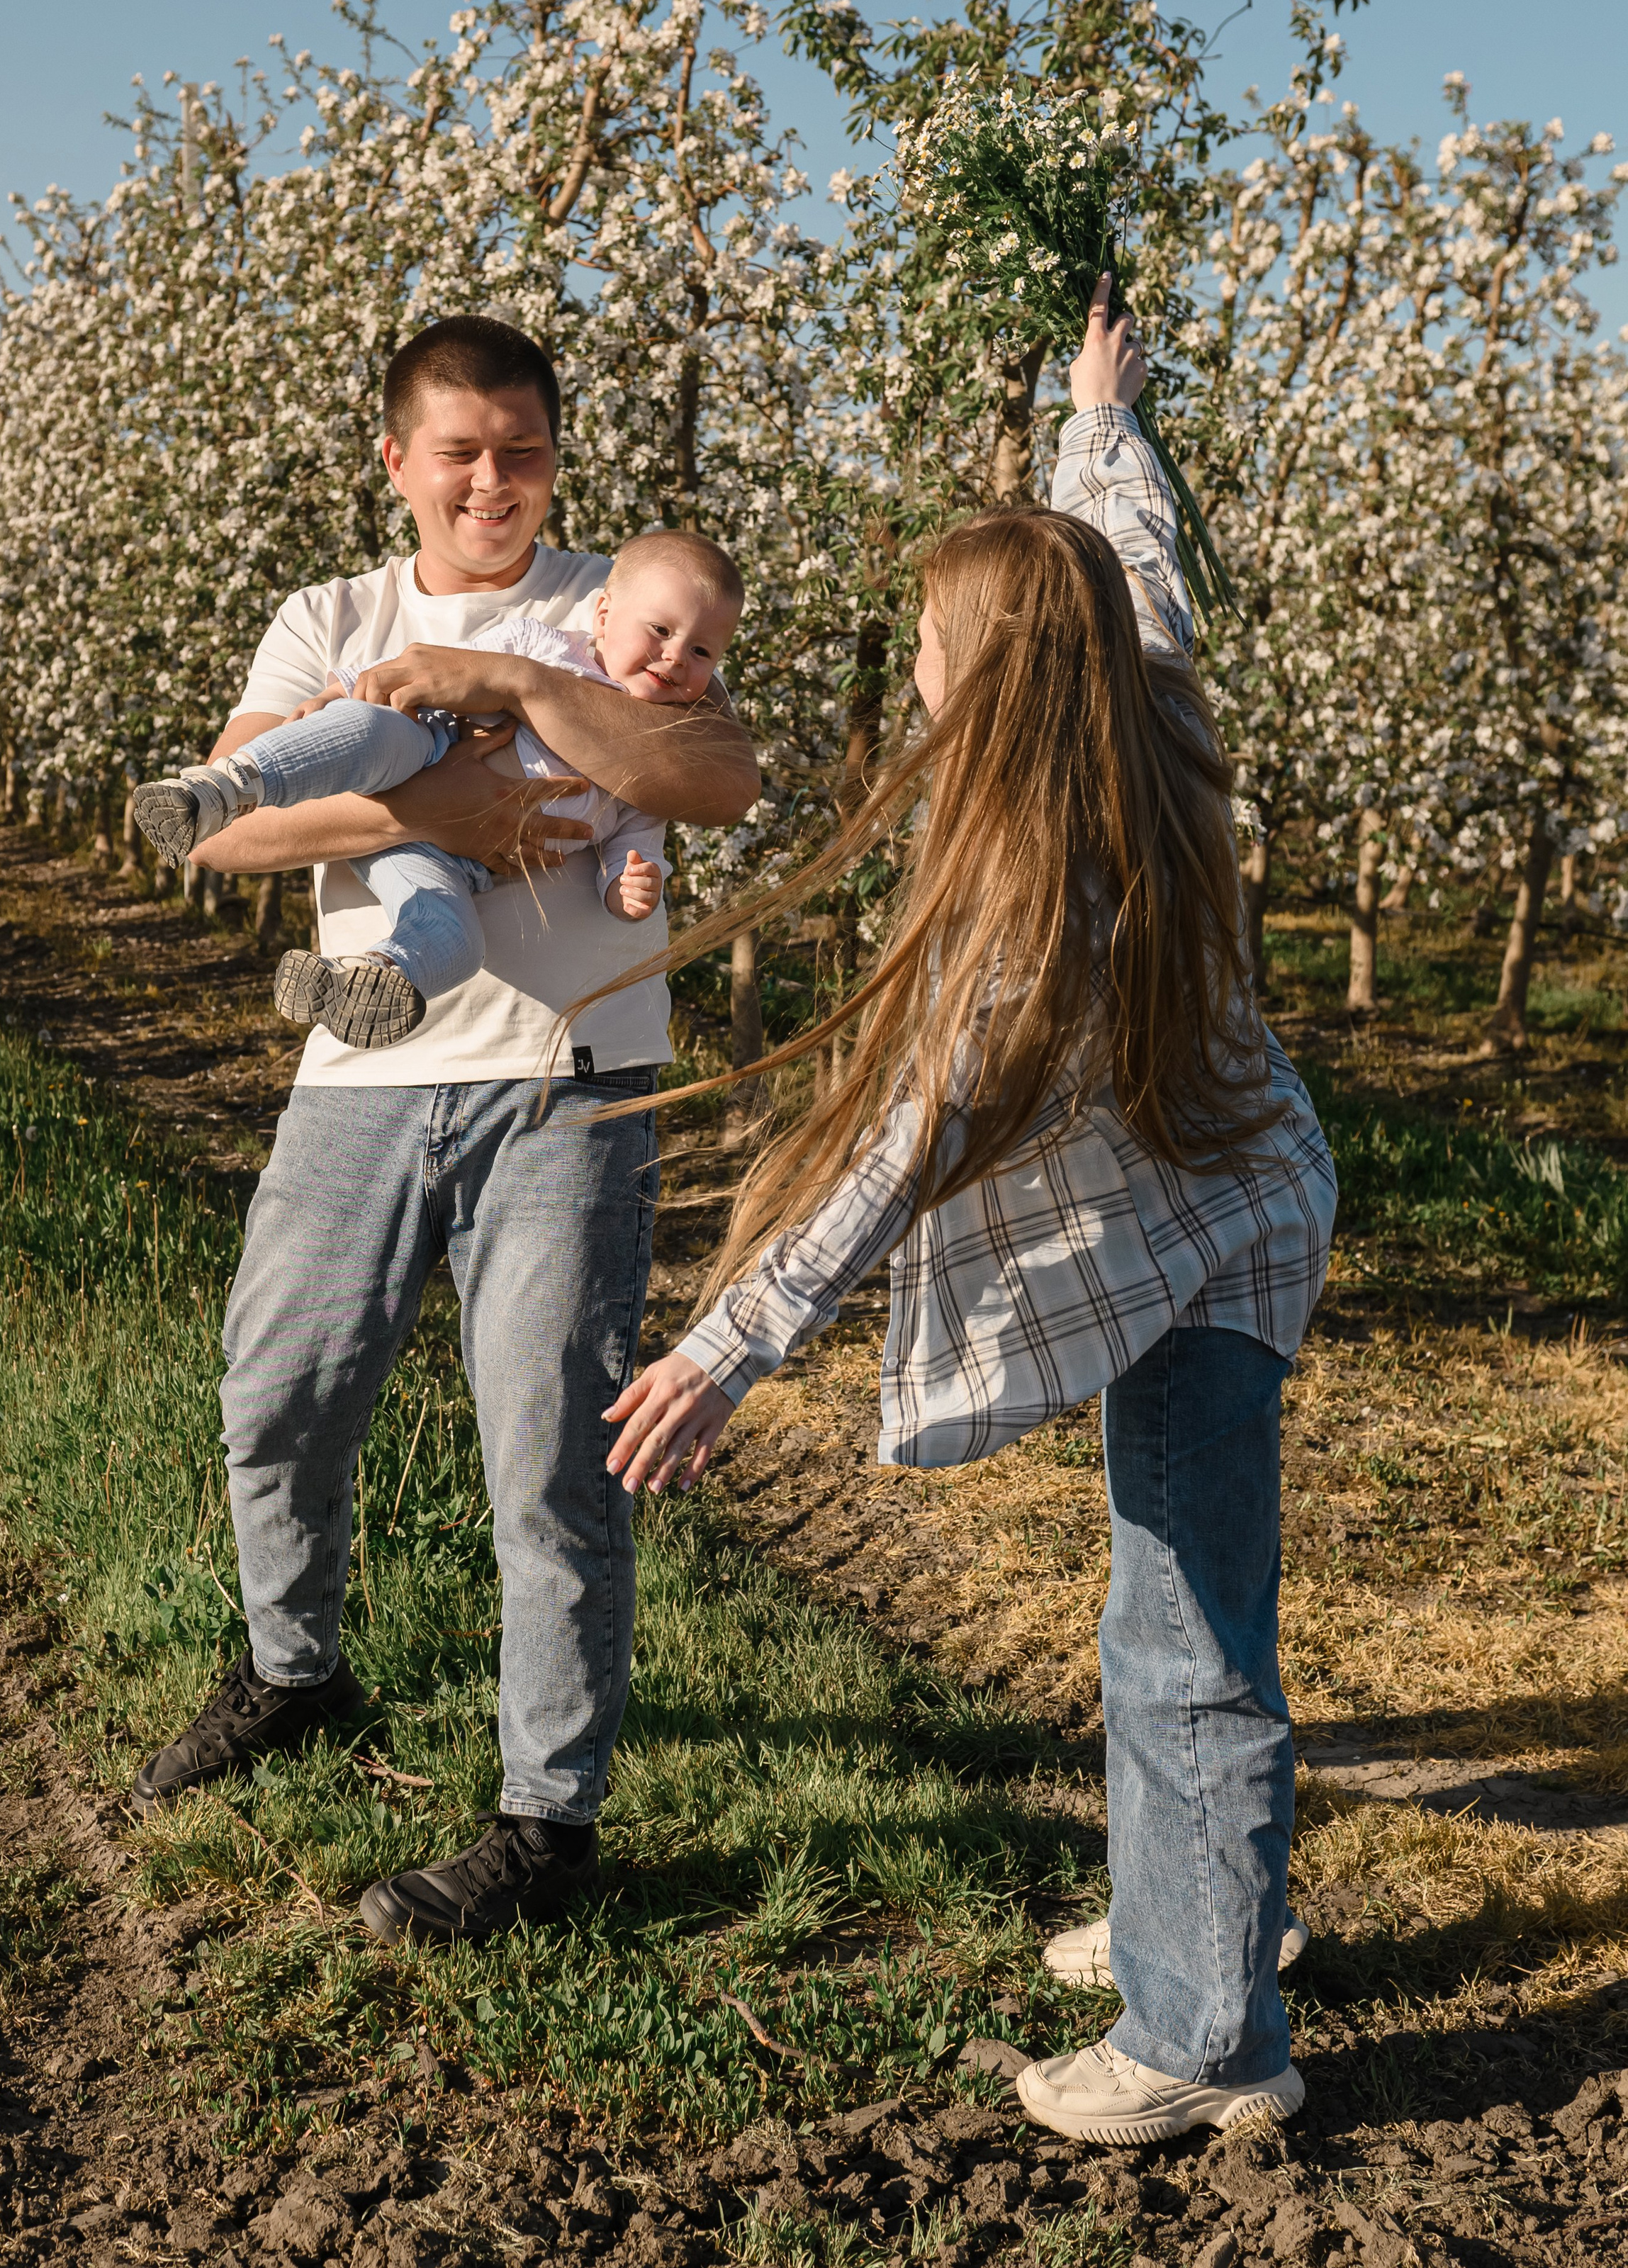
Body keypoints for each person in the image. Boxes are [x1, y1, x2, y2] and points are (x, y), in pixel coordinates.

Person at [601, 279, 1337, 2143]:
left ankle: (1207, 2043)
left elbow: (888, 1152)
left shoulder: (1029, 907)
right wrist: (1100, 420)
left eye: (934, 647)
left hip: (1214, 1245)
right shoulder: (1145, 710)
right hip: (1223, 1216)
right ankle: (1209, 1925)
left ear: (998, 678)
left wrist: (726, 1342)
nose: (912, 672)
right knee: (1176, 1613)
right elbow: (1134, 565)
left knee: (1183, 1636)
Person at [126, 315, 760, 1950]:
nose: (494, 480)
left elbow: (713, 771)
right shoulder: (330, 617)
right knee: (278, 1391)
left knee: (546, 1453)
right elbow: (230, 820)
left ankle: (546, 1823)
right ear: (397, 459)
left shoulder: (624, 602)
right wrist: (432, 816)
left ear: (557, 456)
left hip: (563, 1077)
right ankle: (294, 1671)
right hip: (359, 1075)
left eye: (524, 448)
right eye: (461, 450)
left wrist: (517, 684)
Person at [130, 529, 743, 1049]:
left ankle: (365, 978)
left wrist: (628, 886)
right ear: (604, 615)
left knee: (454, 939)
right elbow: (430, 670)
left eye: (702, 651)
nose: (675, 658)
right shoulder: (543, 646)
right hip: (432, 744)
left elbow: (641, 842)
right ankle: (227, 786)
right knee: (369, 727)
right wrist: (337, 692)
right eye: (660, 631)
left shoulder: (664, 742)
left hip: (455, 869)